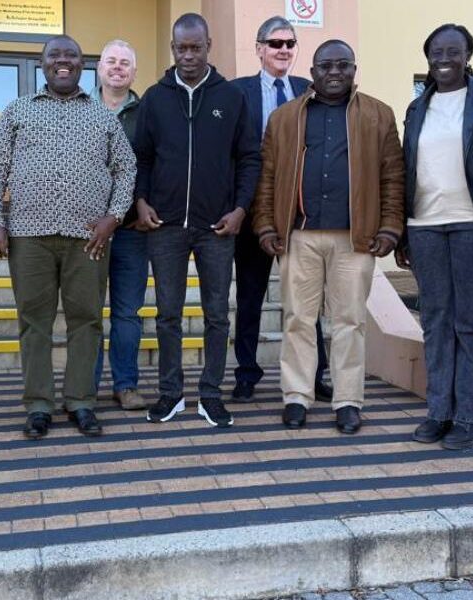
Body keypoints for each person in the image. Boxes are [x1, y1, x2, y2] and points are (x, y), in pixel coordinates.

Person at [0, 35, 136, 440]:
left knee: (87, 321)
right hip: (28, 237)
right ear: (42, 63)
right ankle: (38, 405)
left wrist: (113, 218)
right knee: (35, 322)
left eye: (71, 56)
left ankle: (81, 401)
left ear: (83, 65)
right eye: (55, 56)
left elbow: (126, 170)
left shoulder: (103, 117)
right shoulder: (17, 110)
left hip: (89, 239)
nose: (63, 62)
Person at [252, 40, 405, 434]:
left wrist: (390, 227)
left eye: (343, 65)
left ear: (354, 69)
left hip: (355, 240)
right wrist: (266, 225)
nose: (334, 72)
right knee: (298, 320)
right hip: (298, 236)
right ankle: (297, 397)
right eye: (325, 66)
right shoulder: (286, 117)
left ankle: (348, 400)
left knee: (349, 322)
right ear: (314, 71)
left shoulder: (378, 115)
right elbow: (267, 177)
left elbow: (393, 177)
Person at [134, 13, 259, 428]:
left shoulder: (231, 97)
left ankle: (210, 395)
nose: (188, 55)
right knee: (167, 314)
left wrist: (240, 208)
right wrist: (140, 201)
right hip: (165, 226)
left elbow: (249, 158)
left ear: (209, 47)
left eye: (195, 47)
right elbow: (143, 158)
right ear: (173, 49)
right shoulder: (155, 97)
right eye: (180, 48)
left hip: (216, 228)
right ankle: (170, 394)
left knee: (217, 315)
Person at [398, 24, 473, 450]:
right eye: (436, 52)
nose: (444, 58)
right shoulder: (417, 106)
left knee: (472, 323)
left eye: (453, 51)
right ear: (427, 58)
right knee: (435, 322)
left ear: (467, 55)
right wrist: (405, 229)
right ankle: (438, 412)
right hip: (424, 226)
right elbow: (410, 168)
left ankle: (469, 418)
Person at [229, 16, 332, 405]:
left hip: (300, 215)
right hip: (254, 213)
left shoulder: (310, 90)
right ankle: (246, 374)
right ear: (259, 48)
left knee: (307, 303)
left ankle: (314, 375)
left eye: (289, 44)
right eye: (275, 43)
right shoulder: (238, 92)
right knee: (250, 299)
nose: (283, 50)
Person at [91, 39, 148, 411]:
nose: (117, 67)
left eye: (124, 62)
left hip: (130, 230)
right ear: (98, 68)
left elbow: (155, 163)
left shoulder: (148, 112)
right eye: (110, 61)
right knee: (88, 311)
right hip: (87, 229)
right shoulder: (78, 108)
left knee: (127, 312)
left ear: (133, 71)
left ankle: (125, 384)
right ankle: (85, 387)